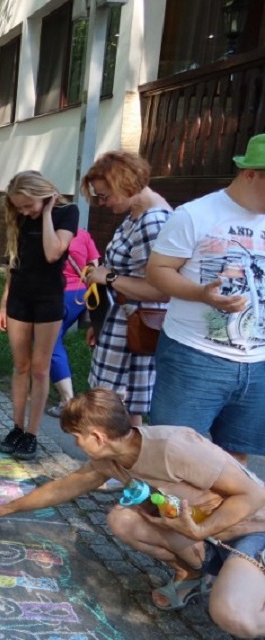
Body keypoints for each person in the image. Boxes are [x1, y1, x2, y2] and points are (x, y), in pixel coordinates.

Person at [0, 388, 265, 637]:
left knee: (233, 615)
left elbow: (254, 494)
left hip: (250, 531)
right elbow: (62, 488)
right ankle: (195, 574)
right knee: (122, 518)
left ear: (98, 437)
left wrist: (201, 531)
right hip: (204, 535)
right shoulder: (111, 459)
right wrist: (6, 508)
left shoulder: (175, 446)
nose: (76, 444)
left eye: (76, 437)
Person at [146, 133, 265, 464]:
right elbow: (158, 271)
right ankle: (164, 515)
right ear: (251, 173)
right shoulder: (194, 214)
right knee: (175, 453)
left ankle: (214, 516)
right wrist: (201, 294)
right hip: (194, 357)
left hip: (258, 362)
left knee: (236, 456)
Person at [79, 151, 171, 427]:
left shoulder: (154, 221)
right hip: (121, 320)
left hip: (136, 327)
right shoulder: (136, 213)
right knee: (121, 410)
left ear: (125, 184)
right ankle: (119, 467)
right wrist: (101, 320)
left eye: (105, 196)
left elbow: (161, 290)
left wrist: (107, 277)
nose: (102, 203)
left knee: (114, 409)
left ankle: (116, 465)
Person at [0, 171, 78, 460]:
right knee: (20, 366)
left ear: (44, 196)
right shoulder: (18, 216)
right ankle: (16, 427)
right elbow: (14, 263)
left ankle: (32, 432)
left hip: (48, 299)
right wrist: (5, 303)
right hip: (20, 297)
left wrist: (45, 215)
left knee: (40, 369)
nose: (23, 211)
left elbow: (53, 252)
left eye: (28, 205)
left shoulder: (67, 212)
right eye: (19, 207)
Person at [47, 229, 100, 417]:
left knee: (50, 343)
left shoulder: (47, 233)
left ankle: (67, 401)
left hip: (57, 295)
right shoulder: (83, 234)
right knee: (54, 338)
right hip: (79, 295)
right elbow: (94, 264)